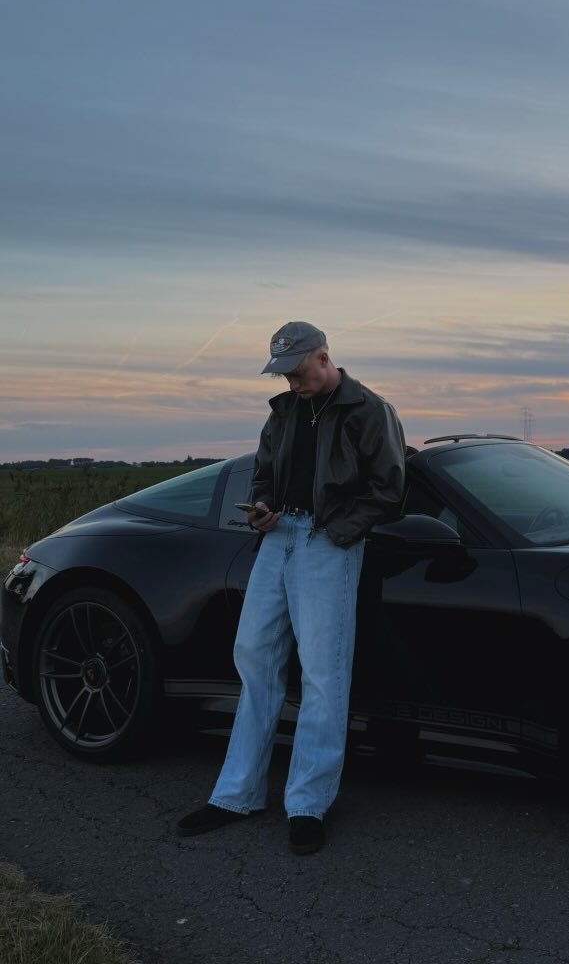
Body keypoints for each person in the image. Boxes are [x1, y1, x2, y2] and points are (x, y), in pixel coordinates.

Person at [177, 321, 406, 854]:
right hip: (277, 537)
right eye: (283, 375)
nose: (291, 383)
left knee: (324, 674)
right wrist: (261, 507)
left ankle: (308, 805)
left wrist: (338, 533)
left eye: (297, 372)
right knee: (254, 657)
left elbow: (390, 491)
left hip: (330, 543)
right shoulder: (282, 411)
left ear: (323, 358)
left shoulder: (371, 410)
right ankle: (236, 795)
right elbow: (263, 474)